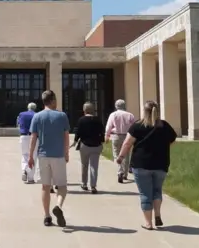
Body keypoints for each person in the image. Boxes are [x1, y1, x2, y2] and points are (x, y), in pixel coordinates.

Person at [116, 100, 177, 230]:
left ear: (144, 111)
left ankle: (148, 223)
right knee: (157, 191)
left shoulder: (137, 125)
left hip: (141, 164)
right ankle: (158, 215)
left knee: (145, 193)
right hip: (161, 163)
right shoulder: (164, 125)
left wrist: (121, 157)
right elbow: (172, 140)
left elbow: (127, 143)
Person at [28, 90, 70, 227]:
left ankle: (47, 216)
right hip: (58, 155)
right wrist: (66, 153)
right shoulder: (62, 116)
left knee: (45, 187)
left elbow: (33, 138)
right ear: (52, 100)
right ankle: (58, 205)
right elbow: (66, 136)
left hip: (43, 155)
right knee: (62, 186)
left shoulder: (37, 116)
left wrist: (30, 156)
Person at [73, 102, 105, 194]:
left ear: (84, 110)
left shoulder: (81, 120)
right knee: (94, 166)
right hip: (96, 145)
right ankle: (93, 186)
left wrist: (75, 141)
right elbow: (101, 132)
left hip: (85, 145)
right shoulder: (98, 120)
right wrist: (101, 141)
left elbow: (78, 133)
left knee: (84, 165)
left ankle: (84, 184)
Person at [105, 99, 136, 183]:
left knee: (116, 154)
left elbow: (109, 126)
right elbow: (134, 127)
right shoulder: (130, 115)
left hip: (116, 136)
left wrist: (107, 136)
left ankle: (120, 171)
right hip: (127, 136)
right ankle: (125, 174)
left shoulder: (113, 114)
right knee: (126, 155)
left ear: (116, 106)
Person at [18, 102, 38, 184]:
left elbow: (19, 124)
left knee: (24, 155)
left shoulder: (21, 114)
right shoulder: (37, 115)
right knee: (33, 156)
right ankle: (30, 178)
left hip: (23, 136)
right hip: (34, 136)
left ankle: (24, 169)